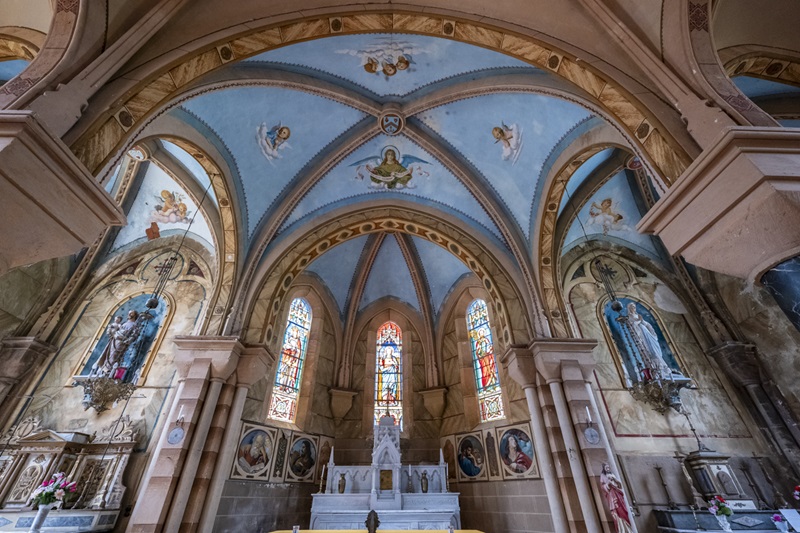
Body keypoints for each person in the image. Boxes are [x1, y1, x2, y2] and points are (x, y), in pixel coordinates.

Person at [626, 302, 676, 381]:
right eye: (632, 307)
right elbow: (633, 326)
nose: (634, 308)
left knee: (655, 350)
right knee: (648, 350)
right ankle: (654, 369)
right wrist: (639, 321)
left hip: (647, 333)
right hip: (640, 335)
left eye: (634, 307)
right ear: (629, 309)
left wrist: (641, 321)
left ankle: (663, 368)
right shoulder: (629, 317)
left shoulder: (638, 315)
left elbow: (646, 324)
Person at [92, 310, 140, 378]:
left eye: (131, 313)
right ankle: (103, 371)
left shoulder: (134, 325)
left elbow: (134, 335)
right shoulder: (124, 323)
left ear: (135, 315)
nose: (129, 314)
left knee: (114, 356)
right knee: (108, 355)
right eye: (129, 313)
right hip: (115, 340)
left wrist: (128, 340)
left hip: (121, 343)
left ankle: (109, 372)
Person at [600, 463, 634, 533]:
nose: (608, 469)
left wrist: (615, 480)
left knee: (623, 509)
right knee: (616, 511)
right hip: (611, 495)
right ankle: (621, 529)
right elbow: (603, 487)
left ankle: (629, 528)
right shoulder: (603, 476)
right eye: (606, 468)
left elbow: (619, 485)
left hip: (618, 494)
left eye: (608, 467)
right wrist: (608, 484)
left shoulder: (613, 474)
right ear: (604, 469)